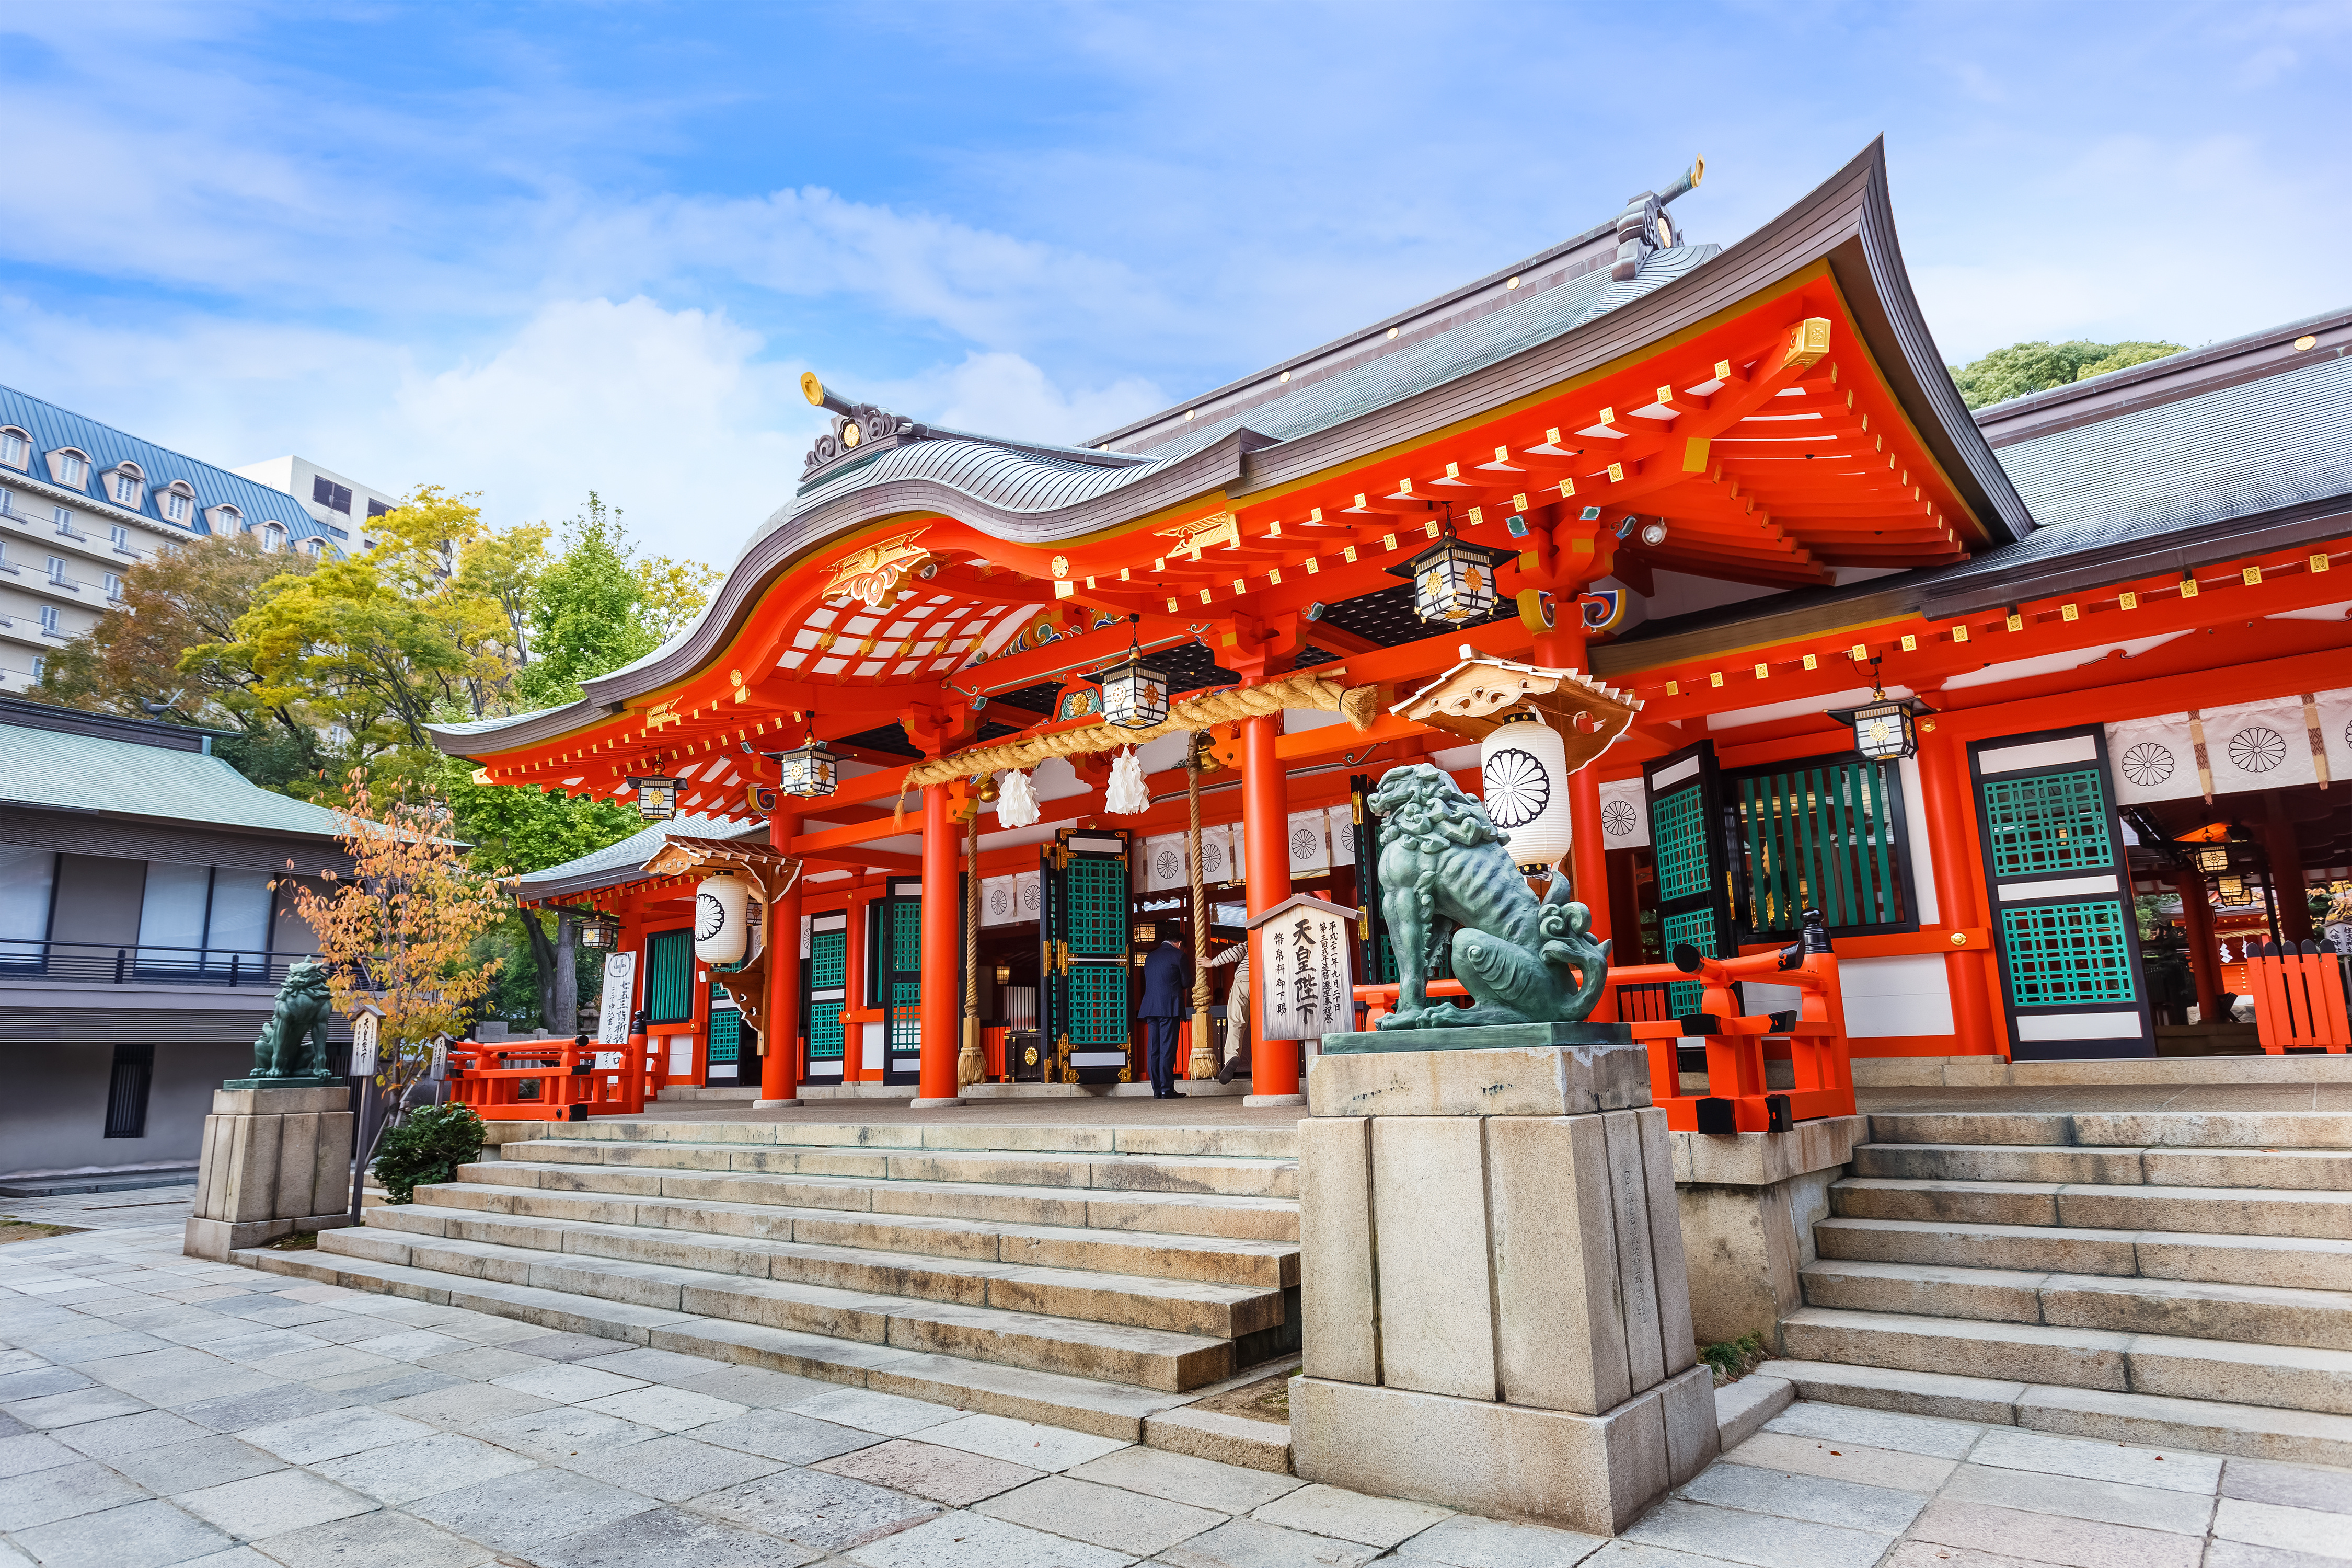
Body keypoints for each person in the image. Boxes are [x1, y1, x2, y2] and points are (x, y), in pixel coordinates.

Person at [1139, 933, 1190, 1099]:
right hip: (1169, 1007)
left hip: (1150, 1007)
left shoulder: (1151, 957)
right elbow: (1186, 982)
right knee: (1167, 1049)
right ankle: (1166, 1089)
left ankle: (1157, 1090)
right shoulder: (1179, 956)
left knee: (1154, 1049)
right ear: (1180, 944)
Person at [1213, 942, 1250, 1084]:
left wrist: (1213, 963)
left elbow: (1236, 952)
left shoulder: (1256, 935)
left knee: (1236, 1022)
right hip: (1268, 980)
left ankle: (1231, 1056)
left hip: (1243, 979)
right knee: (1263, 1029)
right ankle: (1260, 1073)